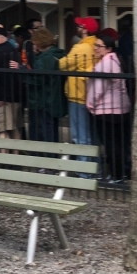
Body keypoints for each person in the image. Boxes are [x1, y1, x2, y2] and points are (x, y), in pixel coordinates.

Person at [87, 33, 131, 181]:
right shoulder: (116, 61)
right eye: (95, 45)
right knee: (120, 143)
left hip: (106, 109)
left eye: (99, 46)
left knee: (110, 144)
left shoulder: (105, 63)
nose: (95, 48)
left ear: (108, 48)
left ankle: (116, 174)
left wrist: (91, 104)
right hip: (121, 108)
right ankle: (122, 172)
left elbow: (98, 88)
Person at [59, 17, 99, 174]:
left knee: (80, 135)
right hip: (93, 95)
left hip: (78, 94)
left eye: (80, 25)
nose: (77, 27)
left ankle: (84, 172)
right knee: (92, 135)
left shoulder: (80, 48)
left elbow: (63, 64)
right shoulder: (96, 45)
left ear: (85, 29)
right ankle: (95, 168)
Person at [25, 28, 66, 144]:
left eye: (34, 43)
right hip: (55, 98)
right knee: (52, 130)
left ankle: (46, 157)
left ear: (38, 43)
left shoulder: (44, 59)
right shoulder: (59, 54)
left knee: (43, 132)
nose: (33, 46)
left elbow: (37, 79)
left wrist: (22, 71)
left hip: (43, 101)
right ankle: (52, 156)